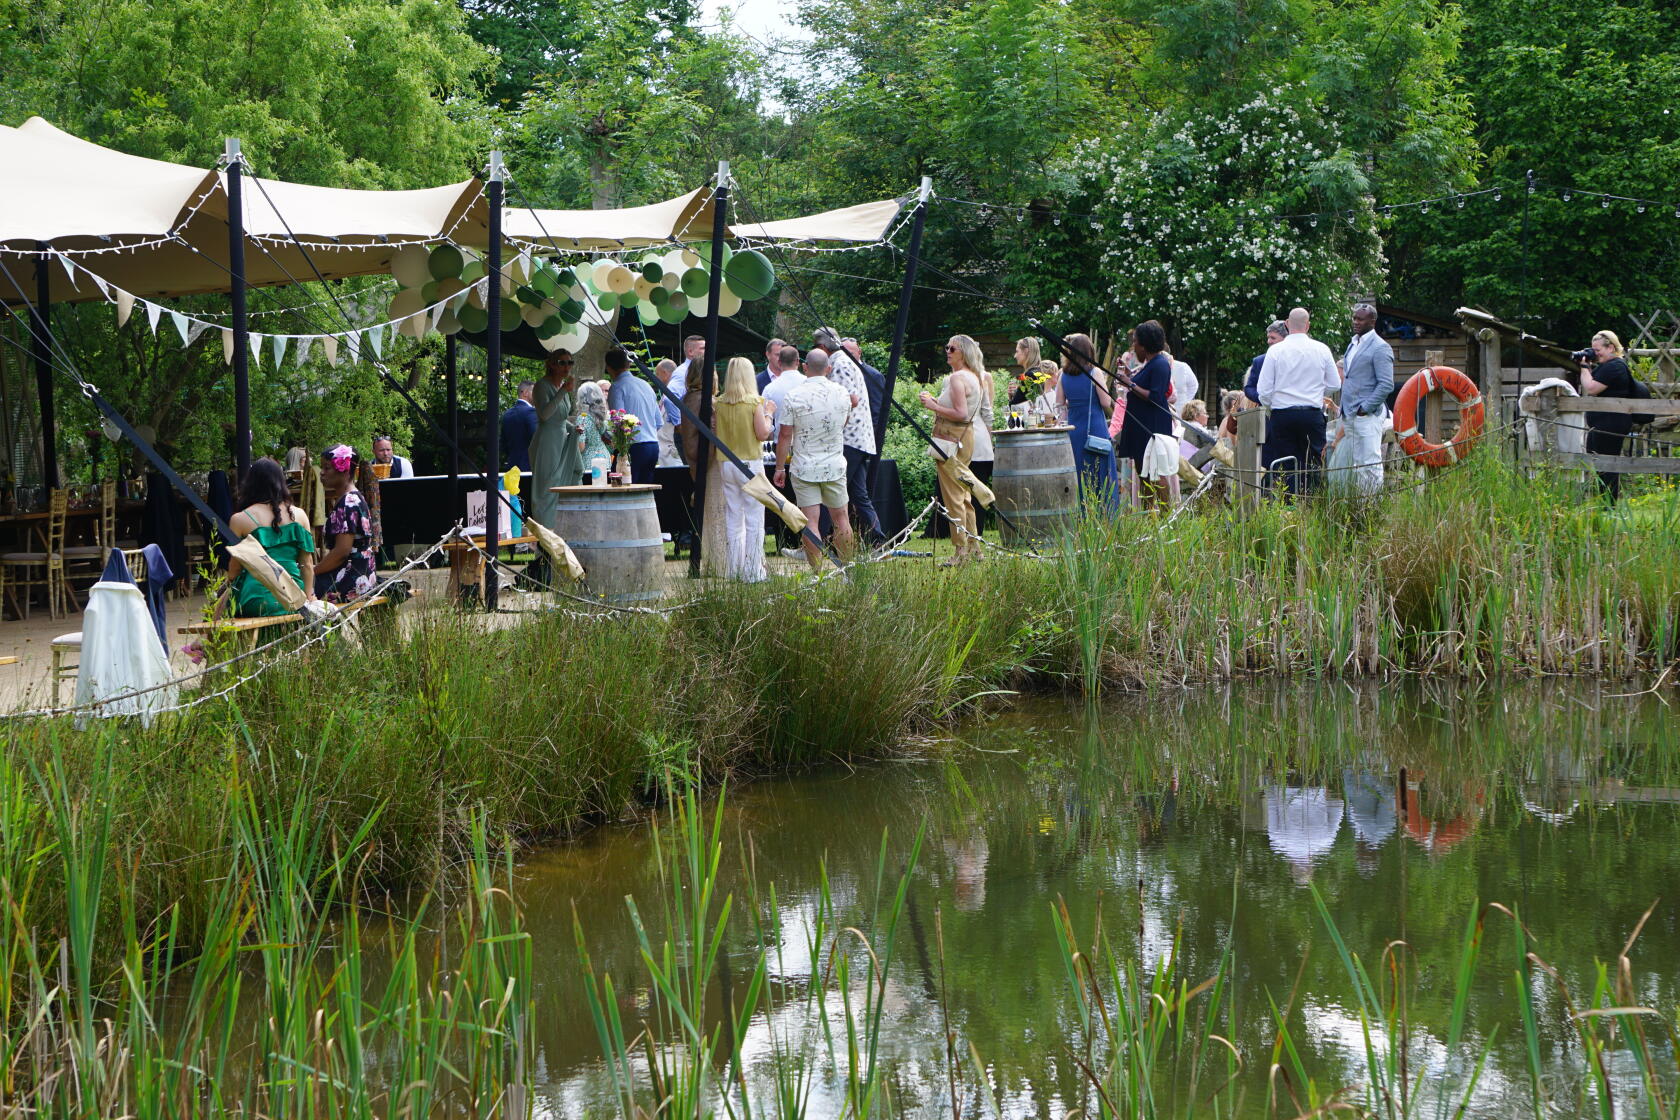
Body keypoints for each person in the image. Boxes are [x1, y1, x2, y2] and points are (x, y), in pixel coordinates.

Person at [774, 349, 854, 567]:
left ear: (804, 367)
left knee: (810, 522)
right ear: (828, 368)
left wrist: (780, 467)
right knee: (841, 520)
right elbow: (843, 424)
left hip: (805, 467)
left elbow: (785, 435)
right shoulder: (842, 393)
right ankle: (847, 570)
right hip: (834, 465)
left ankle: (817, 575)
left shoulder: (794, 396)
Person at [1257, 308, 1340, 495]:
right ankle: (1312, 504)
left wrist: (1273, 406)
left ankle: (1289, 508)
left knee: (1285, 464)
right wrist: (1318, 394)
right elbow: (1335, 384)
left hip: (1282, 414)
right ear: (1308, 325)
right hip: (1311, 413)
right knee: (1313, 463)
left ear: (1286, 324)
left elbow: (1264, 391)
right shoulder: (1322, 349)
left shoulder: (1275, 351)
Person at [705, 357, 774, 581]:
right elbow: (763, 434)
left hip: (726, 462)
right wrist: (769, 413)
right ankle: (753, 571)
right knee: (754, 518)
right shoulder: (755, 402)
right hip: (750, 463)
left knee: (734, 517)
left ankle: (735, 569)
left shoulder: (720, 403)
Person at [813, 327, 883, 542]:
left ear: (823, 347)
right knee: (859, 495)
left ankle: (817, 541)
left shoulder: (840, 363)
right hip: (859, 438)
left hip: (849, 438)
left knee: (828, 489)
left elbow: (847, 401)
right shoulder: (845, 360)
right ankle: (878, 541)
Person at [223, 457, 315, 617]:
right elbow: (307, 564)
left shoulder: (240, 520)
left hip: (255, 598)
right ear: (281, 482)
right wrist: (308, 598)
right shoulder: (300, 515)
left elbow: (234, 570)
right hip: (293, 595)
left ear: (250, 484)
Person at [920, 336, 985, 564]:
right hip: (962, 437)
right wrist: (936, 401)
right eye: (946, 347)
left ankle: (961, 551)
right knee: (964, 494)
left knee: (954, 497)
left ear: (963, 352)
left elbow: (961, 413)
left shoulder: (958, 378)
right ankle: (975, 547)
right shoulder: (973, 377)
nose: (947, 350)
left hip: (952, 438)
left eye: (952, 348)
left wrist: (933, 405)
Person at [1331, 303, 1395, 495]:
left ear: (1372, 322)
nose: (1356, 322)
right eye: (1354, 318)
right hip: (1350, 414)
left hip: (1367, 414)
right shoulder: (1353, 343)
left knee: (1370, 462)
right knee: (1357, 462)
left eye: (1360, 319)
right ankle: (1359, 505)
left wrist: (1365, 407)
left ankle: (1372, 506)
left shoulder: (1380, 347)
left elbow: (1386, 384)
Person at [1117, 321, 1177, 510]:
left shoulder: (1160, 364)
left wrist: (1129, 383)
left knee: (1156, 474)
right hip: (1141, 427)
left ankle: (1168, 516)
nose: (1133, 347)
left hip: (1152, 427)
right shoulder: (1150, 364)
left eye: (1136, 342)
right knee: (1143, 473)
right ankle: (1148, 518)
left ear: (1145, 344)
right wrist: (1131, 377)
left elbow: (1155, 396)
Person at [1580, 329, 1643, 501]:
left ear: (1611, 348)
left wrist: (1585, 367)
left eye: (1598, 350)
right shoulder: (1606, 366)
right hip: (1602, 422)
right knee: (1597, 462)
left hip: (1611, 422)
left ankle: (1609, 504)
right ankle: (1603, 502)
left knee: (1607, 465)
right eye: (1593, 350)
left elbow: (1592, 388)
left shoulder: (1615, 366)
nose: (1595, 354)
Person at [1060, 332, 1118, 509]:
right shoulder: (1095, 372)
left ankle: (1081, 515)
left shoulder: (1063, 375)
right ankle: (1105, 516)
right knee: (1102, 475)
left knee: (1080, 474)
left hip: (1074, 431)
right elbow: (1105, 402)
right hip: (1095, 429)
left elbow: (1059, 405)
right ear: (1089, 351)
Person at [314, 444, 378, 602]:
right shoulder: (355, 497)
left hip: (350, 580)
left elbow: (342, 552)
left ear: (344, 470)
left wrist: (313, 571)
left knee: (301, 591)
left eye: (327, 468)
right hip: (364, 574)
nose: (321, 472)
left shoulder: (347, 504)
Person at [529, 350, 581, 531]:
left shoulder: (563, 388)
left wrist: (573, 428)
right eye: (562, 362)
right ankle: (546, 533)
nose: (567, 367)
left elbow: (560, 418)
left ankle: (568, 523)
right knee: (548, 488)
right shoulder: (542, 386)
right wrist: (562, 392)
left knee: (578, 470)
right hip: (548, 442)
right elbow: (545, 415)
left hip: (562, 438)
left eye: (570, 363)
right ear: (552, 364)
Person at [605, 348, 662, 485]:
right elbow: (659, 422)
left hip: (632, 448)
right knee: (645, 491)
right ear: (628, 364)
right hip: (653, 445)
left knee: (619, 487)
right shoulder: (646, 385)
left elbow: (618, 421)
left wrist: (606, 435)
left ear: (608, 367)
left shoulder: (617, 387)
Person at [842, 337, 887, 444]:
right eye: (844, 354)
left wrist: (872, 439)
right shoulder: (839, 372)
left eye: (850, 354)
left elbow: (877, 411)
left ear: (859, 352)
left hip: (863, 437)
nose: (847, 358)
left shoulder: (873, 375)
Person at [671, 334, 707, 467]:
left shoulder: (700, 369)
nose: (706, 351)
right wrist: (680, 424)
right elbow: (670, 397)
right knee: (695, 471)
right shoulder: (683, 372)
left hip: (696, 431)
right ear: (691, 351)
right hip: (688, 433)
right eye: (703, 348)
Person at [1244, 320, 1289, 404]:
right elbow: (1249, 388)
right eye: (1268, 337)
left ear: (1285, 338)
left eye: (1273, 338)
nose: (1269, 341)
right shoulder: (1259, 361)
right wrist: (1264, 399)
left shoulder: (1298, 358)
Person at [576, 380, 611, 481]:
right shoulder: (602, 415)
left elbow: (581, 447)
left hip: (590, 460)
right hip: (604, 456)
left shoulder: (583, 418)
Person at [501, 380, 538, 472]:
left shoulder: (507, 414)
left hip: (511, 467)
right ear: (525, 393)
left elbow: (503, 444)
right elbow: (537, 438)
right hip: (528, 467)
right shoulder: (531, 412)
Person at [762, 344, 803, 426]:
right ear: (798, 362)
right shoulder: (809, 383)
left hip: (780, 437)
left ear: (779, 363)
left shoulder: (769, 389)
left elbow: (763, 419)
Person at [653, 358, 683, 467]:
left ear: (664, 373)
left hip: (673, 451)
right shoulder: (666, 394)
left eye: (657, 374)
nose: (656, 378)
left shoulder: (674, 394)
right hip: (664, 452)